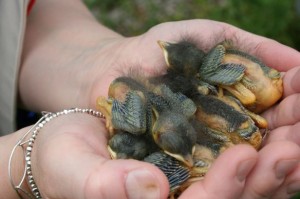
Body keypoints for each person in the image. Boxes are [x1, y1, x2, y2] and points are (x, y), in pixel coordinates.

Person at [0, 0, 300, 198]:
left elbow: (19, 19)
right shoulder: (167, 121)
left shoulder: (181, 109)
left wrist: (97, 61)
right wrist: (20, 168)